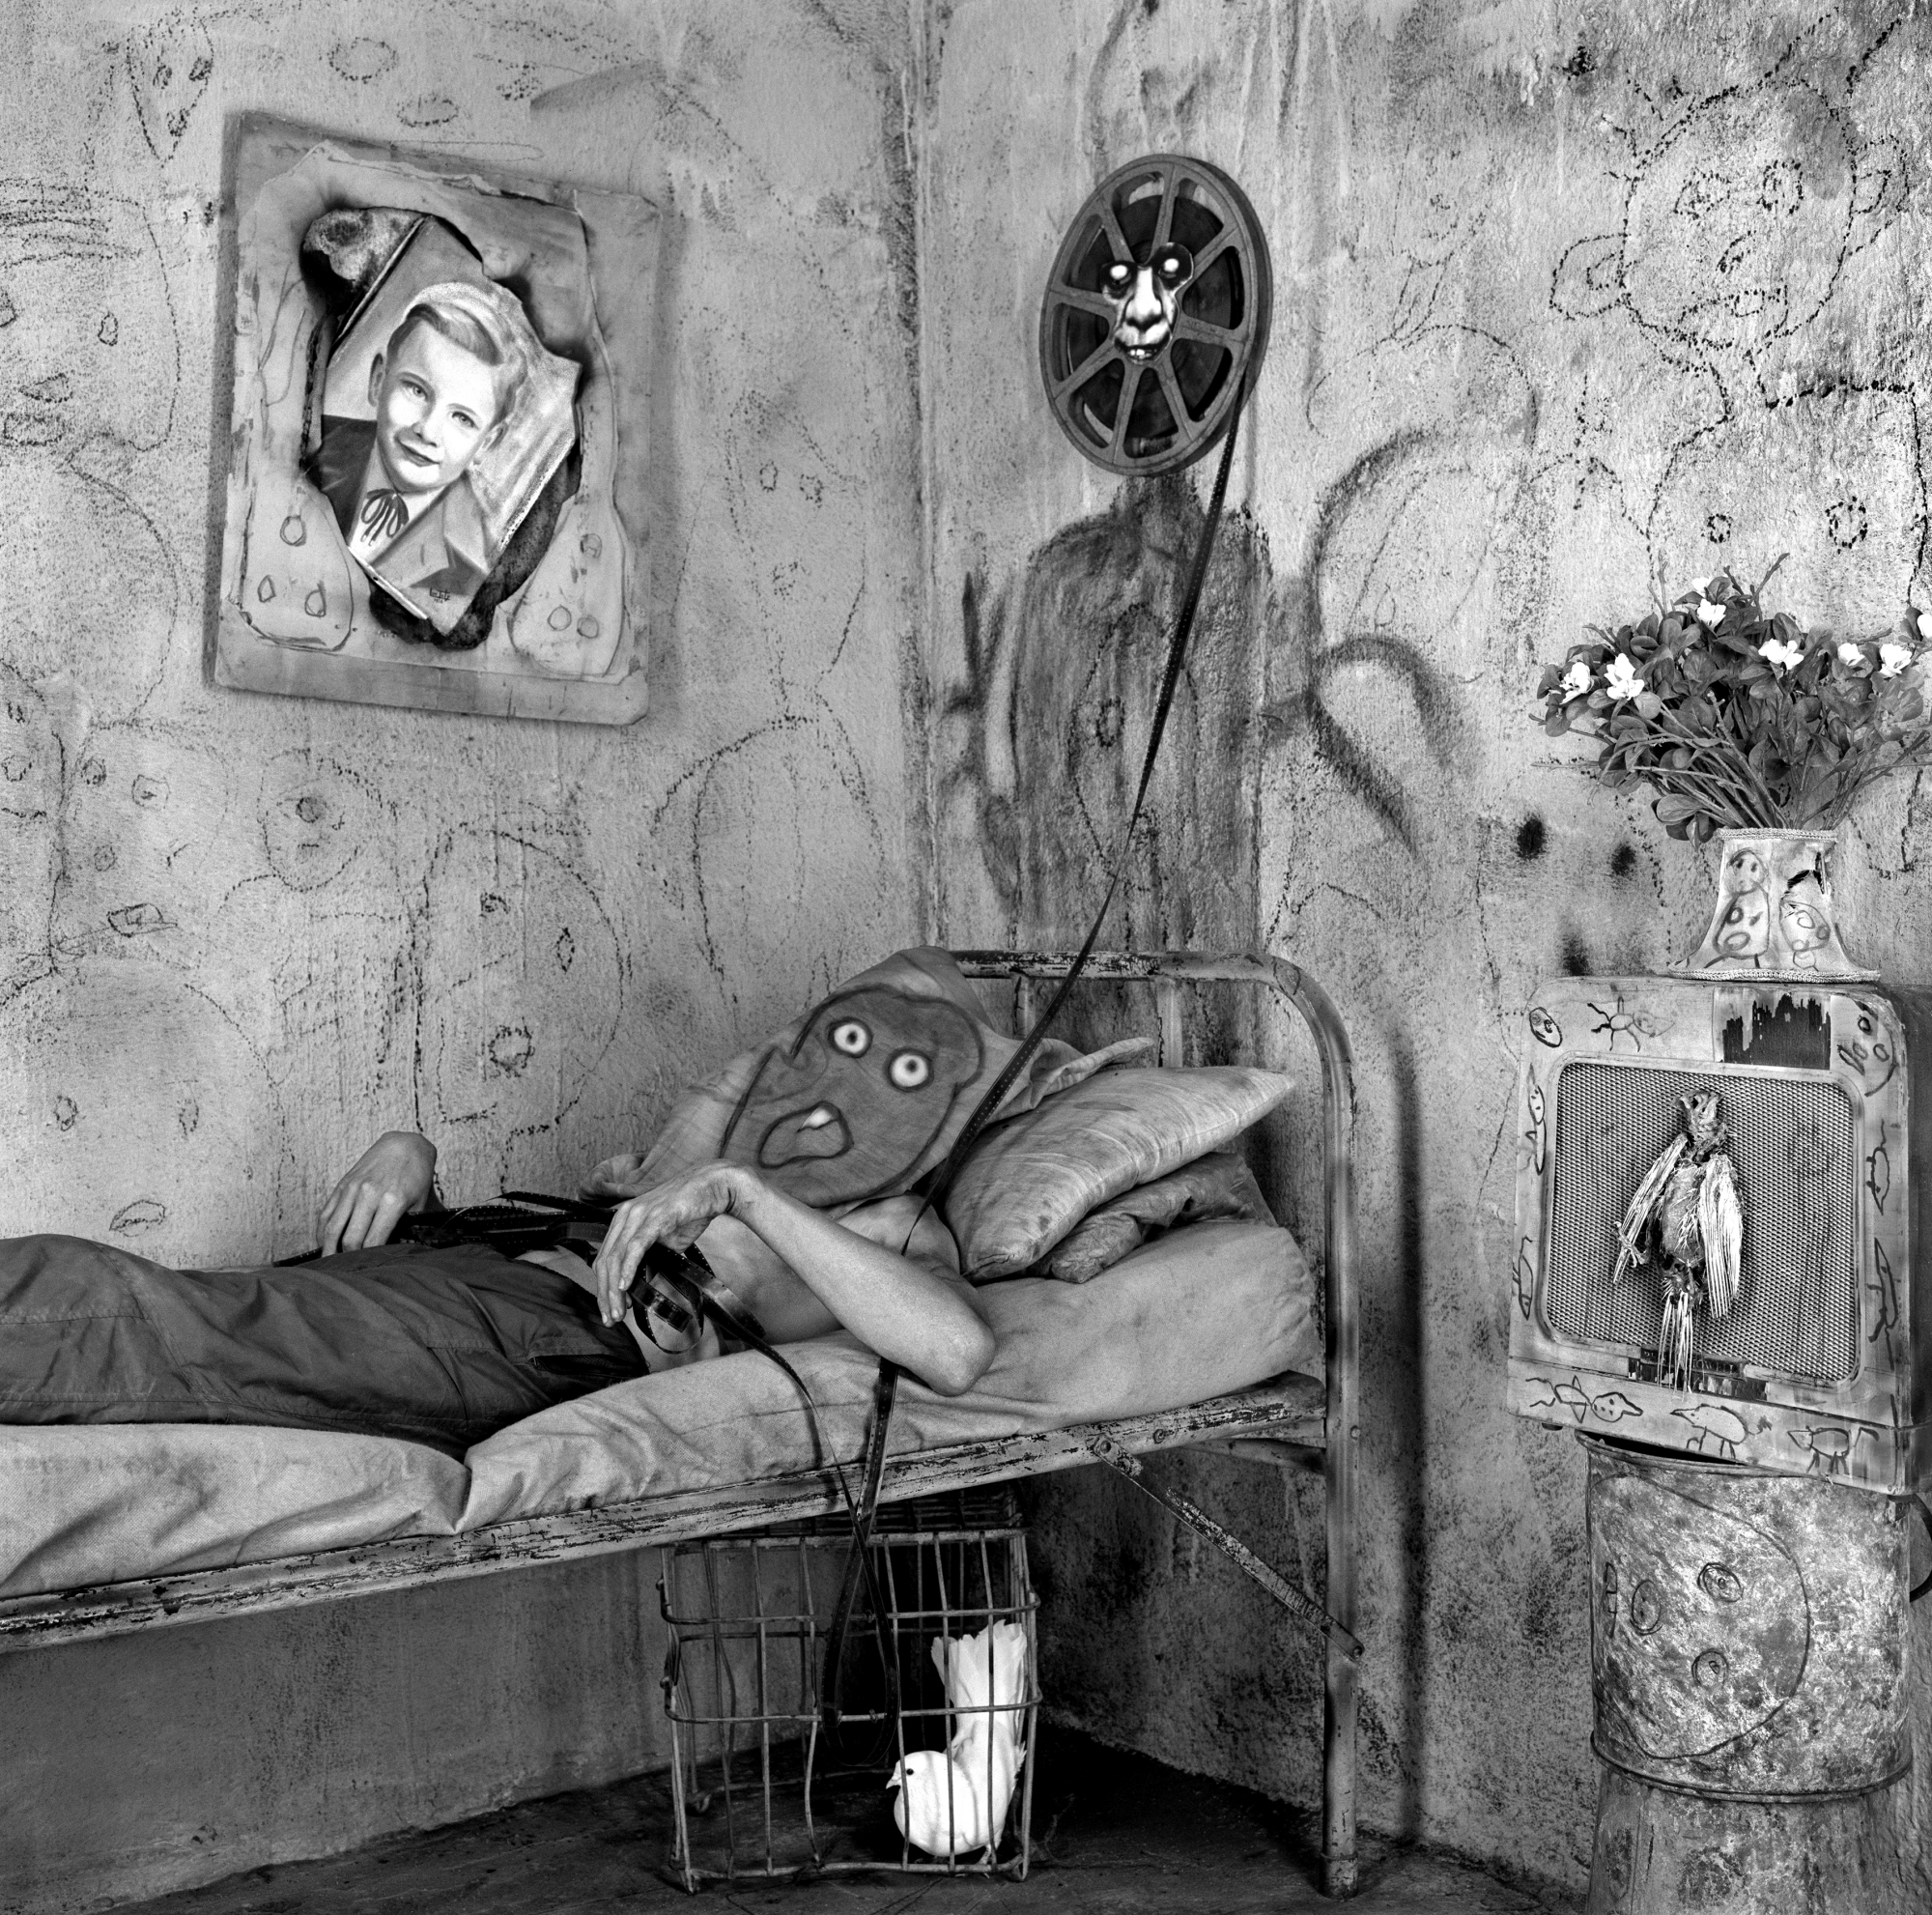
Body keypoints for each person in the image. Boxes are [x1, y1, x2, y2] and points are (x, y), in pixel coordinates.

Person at [320, 1129, 995, 1398]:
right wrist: (410, 1154)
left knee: (283, 1336)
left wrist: (741, 1191)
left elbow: (957, 1351)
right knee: (285, 1305)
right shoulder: (707, 1168)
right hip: (486, 1280)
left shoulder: (898, 1229)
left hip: (566, 1334)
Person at [303, 281, 527, 612]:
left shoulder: (469, 566)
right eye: (417, 391)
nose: (427, 431)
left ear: (487, 443)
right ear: (378, 380)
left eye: (462, 419)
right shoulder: (310, 444)